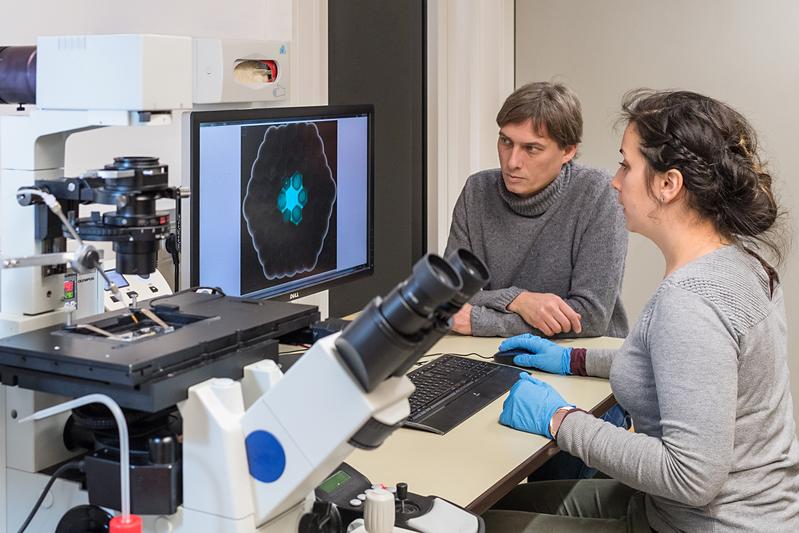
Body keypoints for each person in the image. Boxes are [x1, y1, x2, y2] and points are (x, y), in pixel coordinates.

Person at [483, 89, 799, 532]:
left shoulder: (692, 301)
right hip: (683, 511)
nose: (615, 180)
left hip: (709, 521)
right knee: (496, 507)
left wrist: (560, 419)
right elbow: (686, 370)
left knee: (481, 524)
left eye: (627, 165)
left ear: (668, 184)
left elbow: (689, 477)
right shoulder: (740, 262)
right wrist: (574, 358)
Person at [444, 81, 628, 339]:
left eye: (531, 148)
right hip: (492, 354)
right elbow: (450, 295)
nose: (512, 162)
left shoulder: (598, 193)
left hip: (578, 358)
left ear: (568, 151)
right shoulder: (477, 190)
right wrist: (518, 300)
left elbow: (589, 316)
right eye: (506, 141)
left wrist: (481, 320)